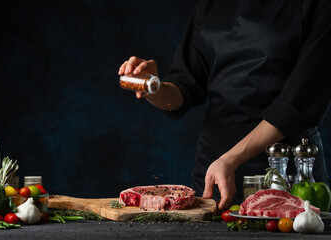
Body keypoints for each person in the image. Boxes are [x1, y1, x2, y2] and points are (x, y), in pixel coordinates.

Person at [118, 0, 331, 210]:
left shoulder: (317, 6)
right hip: (214, 173)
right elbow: (184, 87)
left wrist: (231, 158)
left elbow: (298, 103)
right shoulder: (210, 6)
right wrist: (153, 89)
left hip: (287, 173)